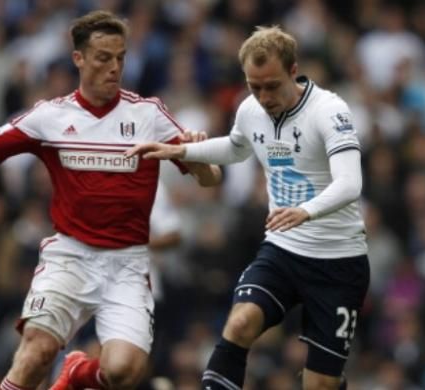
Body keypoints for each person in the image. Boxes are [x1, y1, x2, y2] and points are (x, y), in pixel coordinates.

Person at [0, 10, 221, 390]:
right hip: (71, 257)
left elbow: (210, 178)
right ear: (79, 59)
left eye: (120, 58)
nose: (114, 68)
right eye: (104, 58)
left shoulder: (148, 114)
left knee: (122, 371)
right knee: (36, 352)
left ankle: (76, 371)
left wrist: (195, 154)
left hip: (127, 264)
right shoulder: (51, 117)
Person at [127, 26, 370, 390]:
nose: (263, 96)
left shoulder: (330, 111)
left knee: (320, 385)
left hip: (338, 262)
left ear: (293, 70)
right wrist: (183, 151)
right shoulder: (250, 109)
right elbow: (237, 147)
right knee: (239, 323)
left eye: (271, 85)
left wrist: (306, 211)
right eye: (254, 87)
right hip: (284, 250)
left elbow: (351, 184)